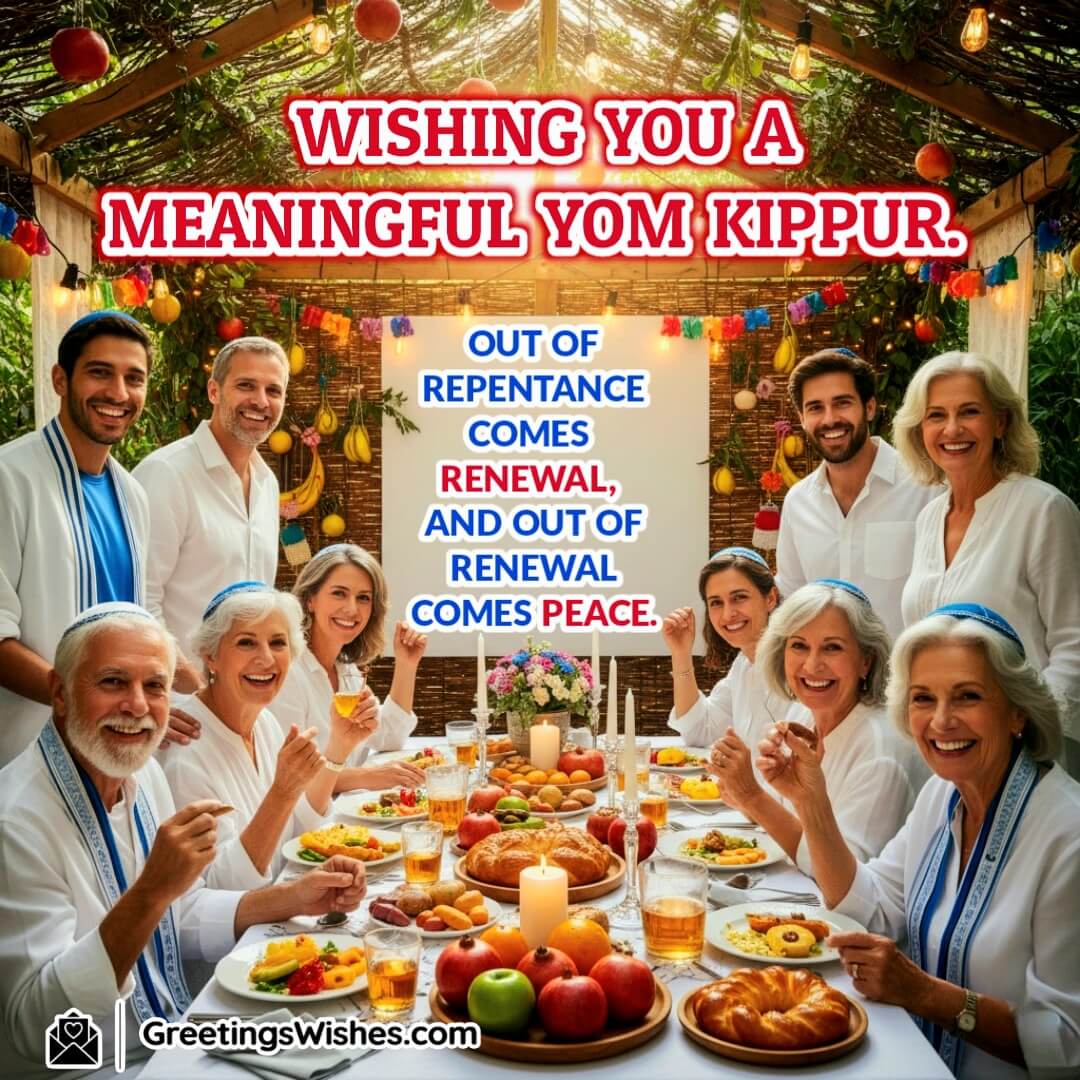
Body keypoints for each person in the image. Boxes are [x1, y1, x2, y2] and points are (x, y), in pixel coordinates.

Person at [0, 603, 367, 1079]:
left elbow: (180, 914)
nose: (137, 705)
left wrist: (291, 897)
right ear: (61, 692)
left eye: (155, 686)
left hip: (170, 1034)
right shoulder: (17, 821)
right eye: (112, 681)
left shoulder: (141, 772)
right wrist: (151, 892)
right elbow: (37, 1026)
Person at [760, 605, 1080, 1079]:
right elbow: (873, 908)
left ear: (1018, 711)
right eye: (923, 698)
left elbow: (1068, 1047)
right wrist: (811, 801)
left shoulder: (1067, 835)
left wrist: (925, 994)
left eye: (967, 696)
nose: (942, 720)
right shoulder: (942, 793)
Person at [893, 351, 1080, 777]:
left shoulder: (1043, 509)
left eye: (969, 412)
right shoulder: (928, 518)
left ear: (1000, 422)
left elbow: (1074, 645)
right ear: (920, 430)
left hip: (1027, 758)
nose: (952, 428)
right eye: (936, 415)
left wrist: (1029, 737)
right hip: (945, 749)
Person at [0, 311, 151, 767]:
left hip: (114, 752)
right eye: (100, 372)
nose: (119, 394)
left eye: (134, 378)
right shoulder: (10, 477)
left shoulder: (133, 495)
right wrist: (85, 701)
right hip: (25, 756)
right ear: (60, 379)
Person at [160, 582, 377, 889]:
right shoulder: (186, 751)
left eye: (278, 643)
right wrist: (282, 793)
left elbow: (296, 831)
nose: (266, 659)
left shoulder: (265, 723)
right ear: (211, 656)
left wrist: (339, 747)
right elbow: (222, 886)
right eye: (246, 643)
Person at [710, 579, 926, 873]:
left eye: (832, 648)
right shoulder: (804, 718)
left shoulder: (880, 751)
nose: (812, 666)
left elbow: (844, 880)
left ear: (866, 660)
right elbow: (787, 818)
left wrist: (752, 797)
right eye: (799, 645)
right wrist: (739, 789)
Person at [133, 336, 287, 699]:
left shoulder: (267, 483)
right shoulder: (167, 474)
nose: (261, 401)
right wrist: (197, 690)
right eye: (246, 385)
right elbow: (139, 603)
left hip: (239, 705)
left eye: (273, 390)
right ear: (214, 391)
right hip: (174, 707)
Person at [775, 349, 938, 640]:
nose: (829, 419)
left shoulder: (925, 487)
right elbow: (791, 600)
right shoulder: (798, 502)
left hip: (906, 680)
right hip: (825, 681)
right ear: (801, 418)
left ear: (870, 407)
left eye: (842, 403)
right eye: (815, 408)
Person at [272, 545, 427, 792]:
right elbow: (285, 777)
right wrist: (366, 776)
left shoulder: (346, 669)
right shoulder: (287, 673)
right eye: (339, 593)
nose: (352, 609)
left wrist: (406, 665)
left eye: (363, 597)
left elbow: (388, 736)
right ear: (310, 599)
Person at [664, 547, 806, 765]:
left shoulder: (799, 669)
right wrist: (681, 653)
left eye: (739, 598)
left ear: (770, 598)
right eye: (716, 603)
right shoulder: (743, 665)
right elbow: (699, 730)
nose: (728, 613)